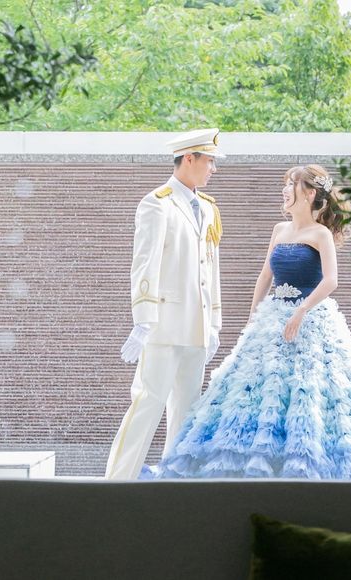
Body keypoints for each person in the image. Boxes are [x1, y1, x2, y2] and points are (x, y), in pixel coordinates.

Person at [153, 164, 351, 479]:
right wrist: (253, 319)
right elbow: (265, 277)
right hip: (272, 319)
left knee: (309, 388)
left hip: (310, 321)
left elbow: (331, 280)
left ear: (309, 193)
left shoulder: (321, 234)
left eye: (291, 184)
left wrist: (302, 310)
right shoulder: (279, 230)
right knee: (257, 389)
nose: (284, 190)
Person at [105, 128, 224, 480]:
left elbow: (211, 270)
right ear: (189, 158)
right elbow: (145, 263)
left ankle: (174, 484)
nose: (213, 168)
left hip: (197, 328)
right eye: (209, 161)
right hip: (163, 326)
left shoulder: (208, 208)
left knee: (186, 414)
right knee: (147, 404)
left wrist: (214, 324)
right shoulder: (157, 203)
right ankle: (116, 483)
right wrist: (143, 320)